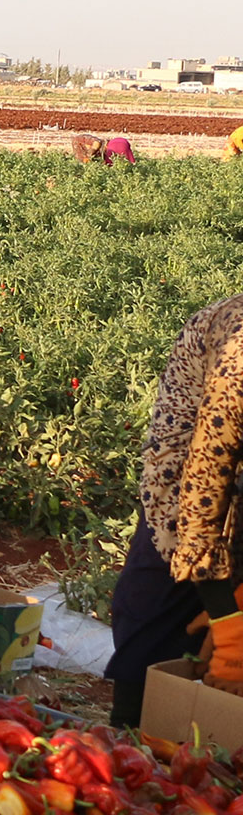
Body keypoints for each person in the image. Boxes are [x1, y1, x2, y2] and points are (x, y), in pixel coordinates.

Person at [106, 293, 243, 722]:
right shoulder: (238, 363)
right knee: (158, 591)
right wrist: (231, 630)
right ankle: (132, 727)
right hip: (201, 413)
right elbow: (200, 495)